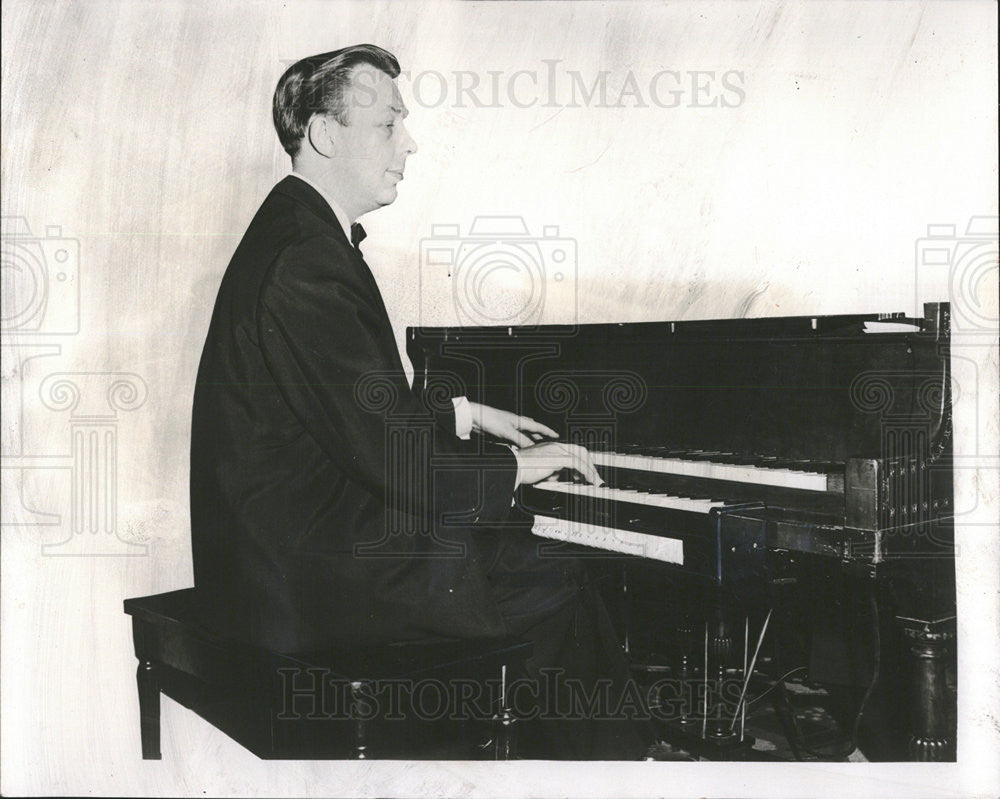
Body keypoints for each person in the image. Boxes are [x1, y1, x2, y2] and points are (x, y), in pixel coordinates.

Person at [190, 44, 651, 759]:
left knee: (519, 555)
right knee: (553, 574)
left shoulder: (296, 232)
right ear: (324, 133)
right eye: (388, 125)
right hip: (308, 577)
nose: (410, 143)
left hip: (294, 548)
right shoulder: (307, 260)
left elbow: (345, 410)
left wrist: (466, 414)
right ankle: (617, 769)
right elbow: (394, 456)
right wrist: (520, 468)